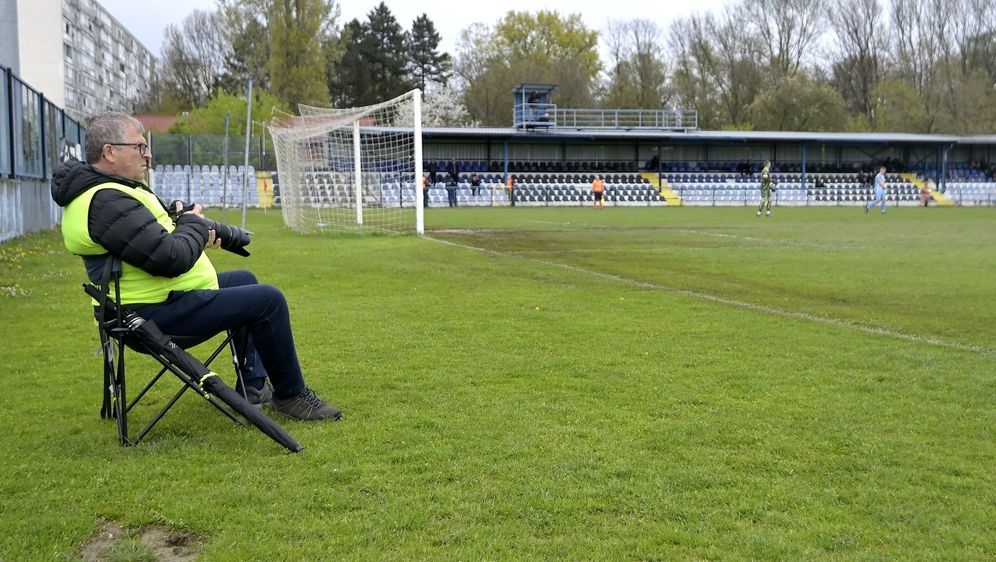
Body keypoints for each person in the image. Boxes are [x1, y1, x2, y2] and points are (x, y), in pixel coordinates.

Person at [51, 112, 341, 421]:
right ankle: (291, 396)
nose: (148, 154)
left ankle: (253, 388)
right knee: (269, 300)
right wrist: (194, 226)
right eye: (140, 147)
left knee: (245, 280)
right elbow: (170, 258)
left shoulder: (107, 191)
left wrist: (179, 218)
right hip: (149, 315)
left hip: (149, 303)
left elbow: (147, 237)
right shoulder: (106, 201)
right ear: (109, 152)